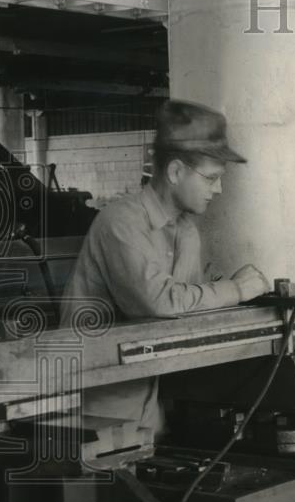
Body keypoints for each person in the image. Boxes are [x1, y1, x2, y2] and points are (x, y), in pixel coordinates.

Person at [60, 100, 271, 436]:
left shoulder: (186, 229)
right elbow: (159, 302)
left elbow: (185, 312)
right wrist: (236, 290)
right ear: (175, 172)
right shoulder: (120, 221)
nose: (218, 190)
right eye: (211, 178)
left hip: (147, 398)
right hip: (96, 406)